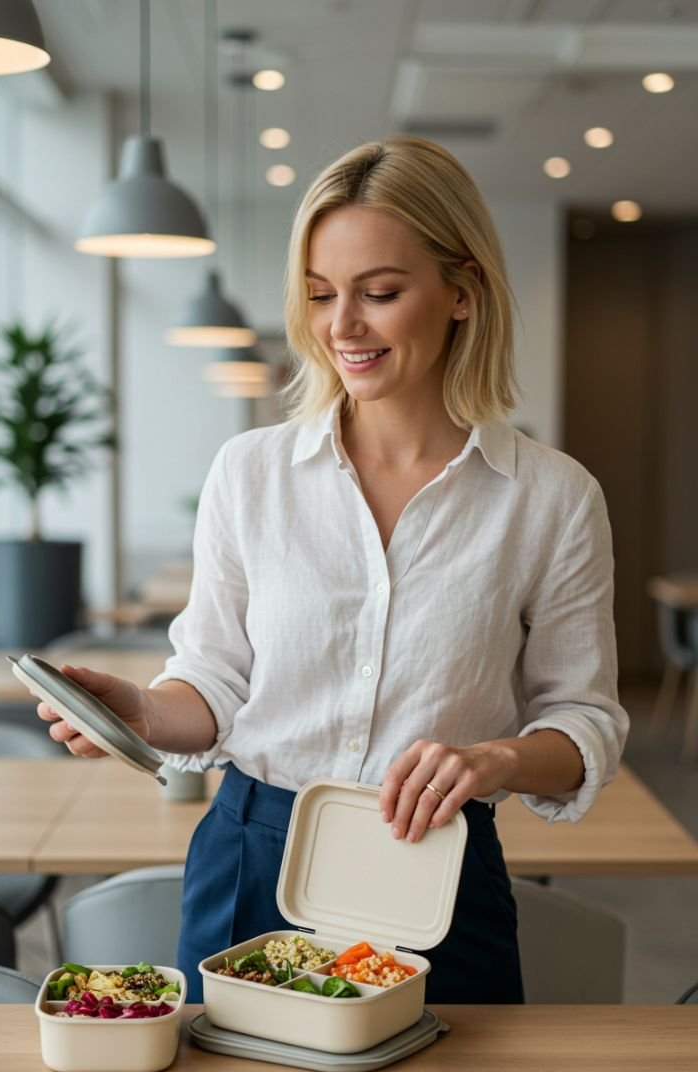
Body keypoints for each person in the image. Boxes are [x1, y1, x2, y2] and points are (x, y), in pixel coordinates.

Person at [40, 136, 629, 1005]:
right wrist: (145, 712)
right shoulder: (251, 472)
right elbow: (216, 681)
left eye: (379, 294)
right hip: (251, 855)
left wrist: (496, 759)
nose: (341, 326)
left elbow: (584, 721)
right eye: (319, 295)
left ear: (462, 291)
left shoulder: (552, 498)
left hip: (434, 865)